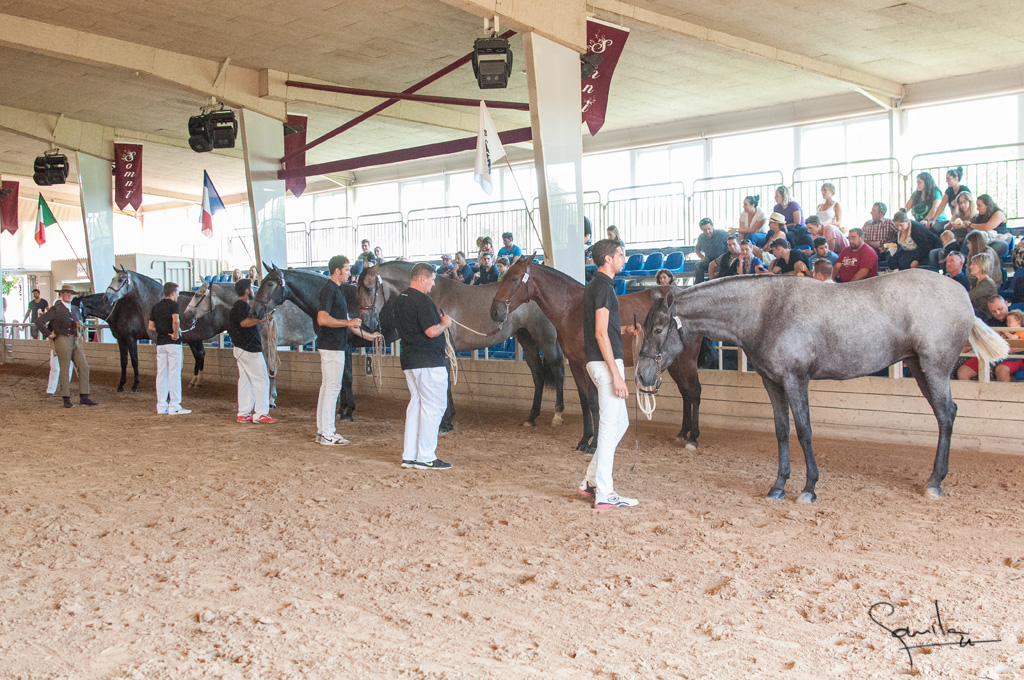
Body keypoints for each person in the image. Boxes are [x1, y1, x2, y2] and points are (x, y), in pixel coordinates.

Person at [578, 239, 636, 509]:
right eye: (620, 255)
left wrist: (624, 331)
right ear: (607, 259)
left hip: (601, 361)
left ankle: (591, 481)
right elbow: (600, 333)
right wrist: (617, 374)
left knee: (619, 424)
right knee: (609, 426)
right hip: (604, 364)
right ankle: (605, 492)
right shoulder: (602, 287)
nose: (624, 259)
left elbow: (604, 329)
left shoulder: (599, 286)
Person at [315, 255, 381, 446]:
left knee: (328, 388)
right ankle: (327, 432)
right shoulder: (329, 290)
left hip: (334, 345)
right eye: (346, 269)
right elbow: (322, 318)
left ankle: (323, 430)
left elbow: (345, 322)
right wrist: (348, 322)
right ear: (337, 271)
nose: (348, 272)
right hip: (332, 345)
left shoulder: (337, 290)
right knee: (331, 388)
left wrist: (367, 336)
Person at [394, 263, 453, 470]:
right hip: (428, 362)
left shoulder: (400, 300)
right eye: (432, 279)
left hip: (410, 360)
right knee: (434, 407)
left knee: (416, 406)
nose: (433, 283)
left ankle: (410, 455)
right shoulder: (423, 300)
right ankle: (426, 456)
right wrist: (445, 323)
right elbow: (430, 331)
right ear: (422, 279)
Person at [35, 285, 97, 409]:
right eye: (67, 293)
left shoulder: (75, 309)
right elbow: (39, 322)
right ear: (61, 294)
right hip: (62, 339)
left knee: (84, 366)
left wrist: (79, 324)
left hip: (74, 339)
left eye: (71, 293)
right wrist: (49, 334)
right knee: (65, 368)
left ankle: (84, 395)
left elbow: (78, 322)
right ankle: (66, 397)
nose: (69, 295)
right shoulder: (56, 309)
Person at [228, 278, 275, 424]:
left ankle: (244, 413)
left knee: (245, 380)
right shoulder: (242, 306)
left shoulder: (238, 306)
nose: (253, 290)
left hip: (241, 348)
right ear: (247, 291)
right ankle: (261, 413)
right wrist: (261, 321)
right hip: (249, 350)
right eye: (251, 288)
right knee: (261, 379)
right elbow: (244, 322)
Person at [958, 296, 1023, 382]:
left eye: (1000, 309)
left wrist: (1001, 349)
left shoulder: (1020, 317)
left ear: (1006, 304)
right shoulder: (989, 323)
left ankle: (1002, 395)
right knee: (963, 372)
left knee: (1002, 370)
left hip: (1014, 356)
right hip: (990, 354)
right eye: (993, 311)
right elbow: (977, 340)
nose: (998, 313)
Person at [148, 282, 190, 415]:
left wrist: (162, 330)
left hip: (160, 342)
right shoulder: (174, 305)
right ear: (172, 293)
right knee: (174, 374)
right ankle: (175, 405)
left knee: (161, 374)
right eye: (177, 293)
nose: (177, 295)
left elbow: (150, 327)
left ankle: (161, 405)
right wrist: (175, 333)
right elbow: (176, 320)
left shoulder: (155, 307)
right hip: (173, 343)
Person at [966, 194, 1011, 259]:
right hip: (983, 242)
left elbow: (987, 227)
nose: (977, 208)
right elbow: (973, 230)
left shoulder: (998, 213)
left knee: (1001, 245)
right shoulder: (979, 216)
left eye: (979, 205)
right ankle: (965, 259)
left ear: (987, 205)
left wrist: (970, 224)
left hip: (997, 240)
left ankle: (982, 260)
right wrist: (966, 226)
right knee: (972, 235)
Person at [693, 217, 728, 284]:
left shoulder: (721, 234)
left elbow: (729, 245)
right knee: (698, 264)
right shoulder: (701, 237)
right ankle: (698, 285)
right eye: (705, 230)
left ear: (712, 226)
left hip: (722, 260)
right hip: (709, 260)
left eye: (709, 229)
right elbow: (697, 250)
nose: (708, 232)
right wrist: (702, 257)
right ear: (702, 230)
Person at [967, 252, 998, 318]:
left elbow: (969, 296)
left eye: (974, 264)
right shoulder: (976, 281)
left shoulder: (987, 283)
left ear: (982, 266)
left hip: (986, 316)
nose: (970, 267)